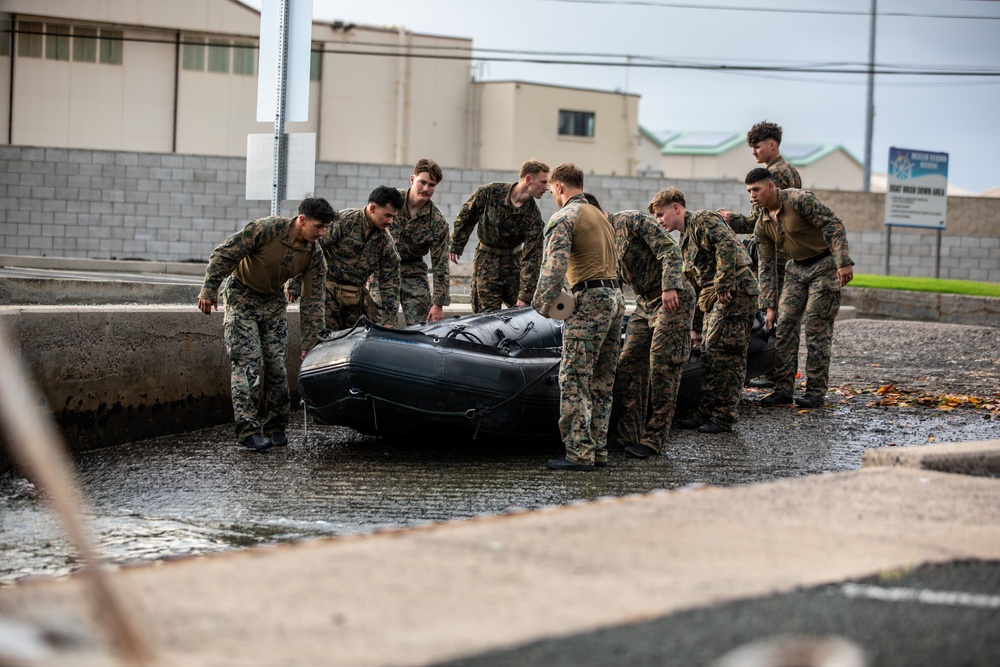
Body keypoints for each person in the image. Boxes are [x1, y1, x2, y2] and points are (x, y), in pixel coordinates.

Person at [197, 197, 334, 451]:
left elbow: (313, 301)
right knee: (247, 363)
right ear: (302, 220)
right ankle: (248, 430)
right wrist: (208, 290)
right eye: (318, 226)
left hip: (272, 304)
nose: (322, 233)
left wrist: (310, 344)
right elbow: (224, 254)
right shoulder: (265, 229)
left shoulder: (314, 255)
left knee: (276, 367)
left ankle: (275, 426)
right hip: (242, 298)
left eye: (326, 227)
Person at [532, 164, 624, 471]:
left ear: (558, 187)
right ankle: (598, 449)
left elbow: (553, 268)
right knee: (601, 380)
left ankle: (578, 454)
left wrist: (541, 304)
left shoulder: (564, 217)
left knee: (573, 378)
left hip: (590, 300)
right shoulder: (600, 216)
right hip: (614, 298)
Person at [650, 187, 759, 434]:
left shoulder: (703, 219)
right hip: (716, 296)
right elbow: (698, 286)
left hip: (735, 291)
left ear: (675, 207)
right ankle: (708, 410)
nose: (659, 221)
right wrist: (695, 327)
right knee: (709, 353)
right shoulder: (685, 241)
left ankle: (724, 416)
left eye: (661, 214)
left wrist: (724, 283)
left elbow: (728, 246)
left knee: (728, 353)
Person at [743, 168, 854, 409]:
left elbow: (833, 225)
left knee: (816, 325)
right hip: (796, 270)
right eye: (749, 191)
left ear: (771, 187)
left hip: (824, 265)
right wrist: (769, 306)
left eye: (756, 189)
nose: (752, 195)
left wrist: (843, 261)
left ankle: (815, 391)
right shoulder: (762, 224)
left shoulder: (799, 200)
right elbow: (767, 266)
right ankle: (783, 389)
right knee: (784, 325)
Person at [607, 206, 696, 459]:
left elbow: (669, 249)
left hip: (672, 298)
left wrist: (670, 286)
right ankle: (628, 434)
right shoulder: (604, 239)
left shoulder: (631, 220)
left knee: (663, 365)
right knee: (629, 362)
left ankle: (655, 437)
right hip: (645, 303)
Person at [720, 120, 801, 388]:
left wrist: (730, 220)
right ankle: (776, 373)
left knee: (770, 313)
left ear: (771, 145)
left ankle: (775, 373)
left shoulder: (775, 175)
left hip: (774, 255)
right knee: (776, 315)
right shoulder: (789, 171)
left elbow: (760, 222)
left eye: (757, 147)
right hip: (781, 252)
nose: (754, 152)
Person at [297, 186, 402, 332]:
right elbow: (311, 247)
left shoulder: (385, 242)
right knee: (325, 341)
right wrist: (295, 283)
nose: (390, 221)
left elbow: (390, 280)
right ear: (372, 208)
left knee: (353, 343)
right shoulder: (345, 221)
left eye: (393, 217)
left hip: (355, 299)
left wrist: (390, 320)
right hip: (328, 293)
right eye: (387, 215)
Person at [449, 160, 549, 313]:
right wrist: (457, 243)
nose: (546, 187)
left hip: (514, 265)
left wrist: (525, 296)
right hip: (486, 262)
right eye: (543, 182)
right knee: (485, 317)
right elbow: (466, 215)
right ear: (528, 179)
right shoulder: (490, 192)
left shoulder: (534, 217)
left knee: (520, 315)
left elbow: (532, 258)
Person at [385, 159, 451, 325]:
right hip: (384, 270)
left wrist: (438, 303)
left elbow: (441, 264)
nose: (426, 189)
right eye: (422, 182)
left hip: (413, 272)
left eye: (432, 185)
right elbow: (370, 234)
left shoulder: (437, 221)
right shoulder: (390, 202)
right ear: (412, 179)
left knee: (421, 326)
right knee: (379, 323)